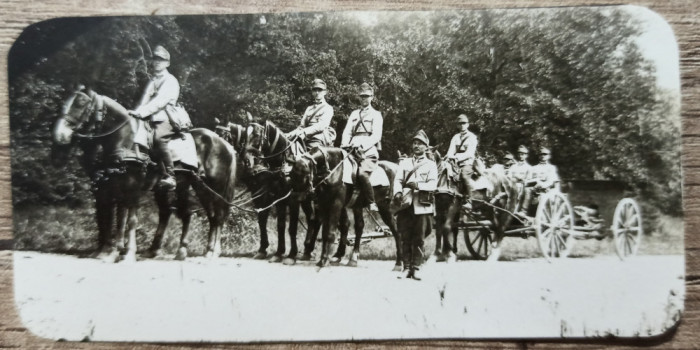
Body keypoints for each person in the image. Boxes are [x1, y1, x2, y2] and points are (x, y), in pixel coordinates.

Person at [128, 45, 180, 190]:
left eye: (161, 60)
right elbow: (144, 100)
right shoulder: (152, 81)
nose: (157, 62)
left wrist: (142, 113)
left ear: (167, 63)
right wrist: (136, 112)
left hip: (166, 117)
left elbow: (160, 102)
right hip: (150, 117)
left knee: (158, 138)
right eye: (155, 60)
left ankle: (170, 176)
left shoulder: (170, 80)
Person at [393, 130, 438, 281]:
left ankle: (416, 268)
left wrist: (418, 184)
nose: (416, 146)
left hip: (422, 205)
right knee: (405, 235)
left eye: (420, 144)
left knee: (419, 237)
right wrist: (397, 192)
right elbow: (398, 180)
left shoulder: (431, 165)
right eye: (415, 143)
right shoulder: (405, 163)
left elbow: (433, 184)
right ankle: (406, 268)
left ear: (426, 147)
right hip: (406, 204)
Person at [341, 83, 383, 212]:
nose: (364, 99)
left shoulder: (376, 115)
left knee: (361, 174)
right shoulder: (354, 114)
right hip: (351, 148)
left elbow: (376, 136)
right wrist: (344, 145)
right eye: (362, 97)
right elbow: (347, 131)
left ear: (372, 97)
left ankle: (371, 202)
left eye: (367, 96)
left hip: (368, 151)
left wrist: (362, 146)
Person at [286, 79, 335, 149]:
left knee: (309, 155)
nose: (317, 93)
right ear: (312, 92)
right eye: (315, 90)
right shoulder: (309, 108)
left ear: (325, 92)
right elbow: (301, 126)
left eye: (320, 90)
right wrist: (289, 134)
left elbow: (321, 126)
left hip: (318, 138)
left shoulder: (328, 108)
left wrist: (304, 132)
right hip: (305, 137)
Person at [445, 114, 478, 209]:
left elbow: (470, 153)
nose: (462, 126)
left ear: (468, 124)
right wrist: (450, 157)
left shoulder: (472, 137)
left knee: (464, 175)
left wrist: (456, 157)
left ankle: (469, 201)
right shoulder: (455, 137)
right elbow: (450, 151)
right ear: (458, 126)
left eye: (464, 123)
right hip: (454, 164)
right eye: (460, 124)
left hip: (467, 164)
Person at [519, 147, 560, 216]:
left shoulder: (551, 168)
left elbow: (552, 181)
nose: (543, 156)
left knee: (542, 195)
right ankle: (524, 211)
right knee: (526, 190)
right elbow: (528, 180)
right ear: (539, 156)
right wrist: (530, 182)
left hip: (547, 189)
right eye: (541, 154)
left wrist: (543, 185)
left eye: (545, 154)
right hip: (535, 189)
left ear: (549, 156)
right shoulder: (534, 168)